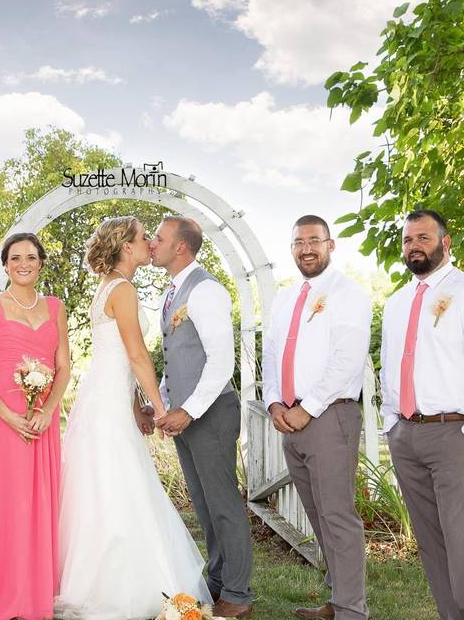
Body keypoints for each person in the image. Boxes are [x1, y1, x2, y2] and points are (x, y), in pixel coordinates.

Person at [55, 216, 211, 620]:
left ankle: (101, 579)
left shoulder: (108, 286)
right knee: (116, 487)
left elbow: (118, 363)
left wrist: (134, 404)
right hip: (106, 403)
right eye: (145, 238)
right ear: (126, 246)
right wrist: (160, 410)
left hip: (107, 397)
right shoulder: (122, 289)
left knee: (108, 487)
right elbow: (137, 356)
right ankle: (116, 586)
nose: (150, 244)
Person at [380, 210, 464, 620]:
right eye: (407, 239)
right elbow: (389, 365)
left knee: (463, 543)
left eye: (423, 237)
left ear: (445, 243)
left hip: (452, 434)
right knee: (431, 544)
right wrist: (390, 422)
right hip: (406, 435)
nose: (414, 245)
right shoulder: (397, 302)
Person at [262, 215, 372, 620]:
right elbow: (272, 351)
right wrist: (274, 402)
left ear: (330, 245)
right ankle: (338, 598)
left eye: (314, 240)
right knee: (317, 515)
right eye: (298, 242)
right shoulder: (285, 298)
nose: (306, 248)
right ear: (291, 248)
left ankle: (351, 610)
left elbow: (347, 359)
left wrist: (306, 409)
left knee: (338, 515)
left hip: (328, 416)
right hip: (289, 418)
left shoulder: (349, 294)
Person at [151, 216, 253, 619]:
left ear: (181, 247)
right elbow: (177, 358)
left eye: (159, 238)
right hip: (186, 415)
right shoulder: (173, 291)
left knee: (224, 504)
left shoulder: (206, 290)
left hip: (209, 414)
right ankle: (217, 581)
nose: (152, 243)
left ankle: (239, 595)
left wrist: (188, 410)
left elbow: (221, 361)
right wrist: (160, 402)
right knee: (205, 506)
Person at [0, 233, 71, 620]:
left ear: (41, 262)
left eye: (31, 256)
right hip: (6, 416)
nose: (23, 263)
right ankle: (1, 585)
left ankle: (38, 584)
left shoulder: (55, 307)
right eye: (15, 258)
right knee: (8, 500)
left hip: (43, 417)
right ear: (6, 264)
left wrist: (49, 410)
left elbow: (64, 366)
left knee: (41, 499)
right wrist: (7, 415)